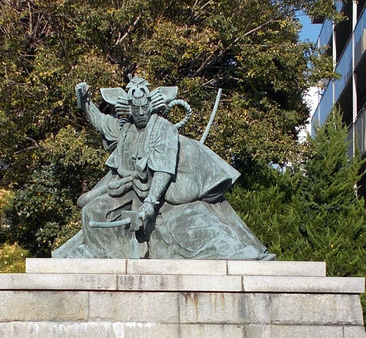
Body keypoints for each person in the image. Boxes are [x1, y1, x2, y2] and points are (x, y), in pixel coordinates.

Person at [53, 76, 272, 260]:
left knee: (188, 226)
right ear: (128, 109)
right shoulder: (125, 129)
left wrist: (149, 206)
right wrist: (86, 101)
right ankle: (105, 255)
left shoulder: (164, 128)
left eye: (143, 107)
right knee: (93, 210)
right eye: (134, 108)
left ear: (151, 105)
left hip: (160, 196)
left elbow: (164, 171)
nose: (139, 112)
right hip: (128, 192)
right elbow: (101, 121)